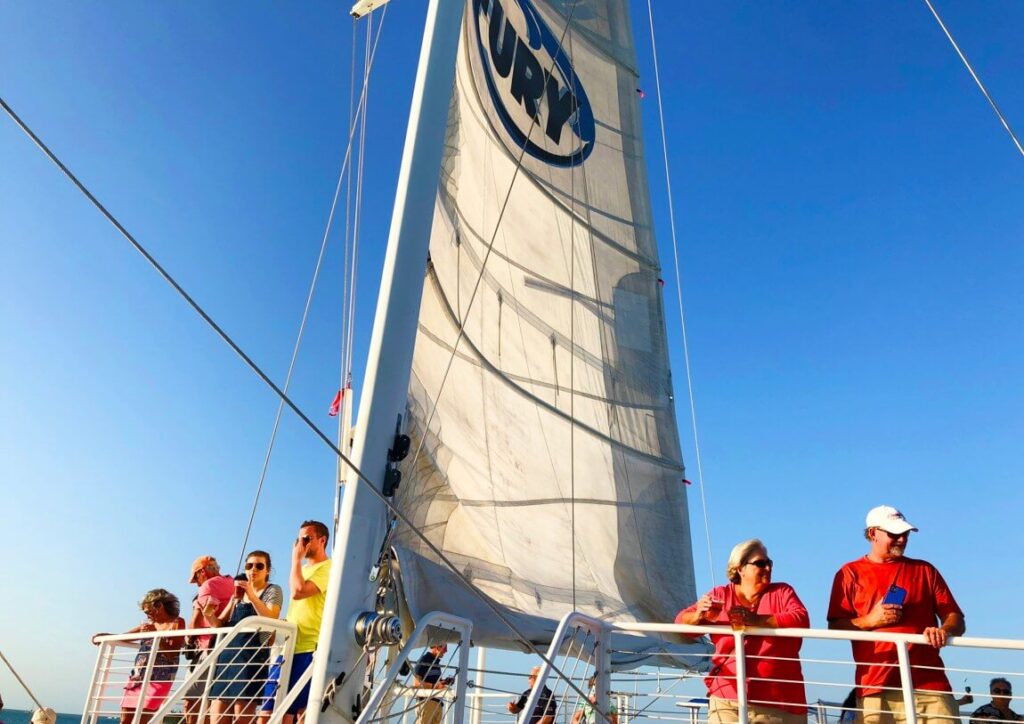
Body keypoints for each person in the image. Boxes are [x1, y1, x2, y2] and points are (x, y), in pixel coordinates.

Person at [827, 505, 965, 724]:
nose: (902, 539)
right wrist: (871, 620)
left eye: (905, 533)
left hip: (931, 686)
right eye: (894, 534)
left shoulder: (925, 570)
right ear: (873, 533)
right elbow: (834, 628)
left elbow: (955, 617)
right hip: (876, 686)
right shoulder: (848, 573)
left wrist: (943, 630)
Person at [675, 538, 809, 723]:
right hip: (727, 698)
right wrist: (698, 615)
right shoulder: (720, 596)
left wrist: (757, 621)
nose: (768, 569)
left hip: (779, 703)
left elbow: (801, 619)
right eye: (760, 564)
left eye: (769, 563)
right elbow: (680, 624)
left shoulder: (782, 592)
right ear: (740, 568)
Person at [206, 550, 284, 724]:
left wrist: (251, 595)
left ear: (268, 570)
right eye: (249, 566)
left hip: (251, 658)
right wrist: (208, 612)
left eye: (259, 566)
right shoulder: (238, 595)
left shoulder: (273, 590)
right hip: (227, 658)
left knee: (242, 718)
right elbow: (219, 624)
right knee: (217, 718)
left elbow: (271, 618)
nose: (253, 569)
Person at [92, 588, 185, 724]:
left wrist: (156, 636)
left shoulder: (177, 622)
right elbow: (126, 637)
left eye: (148, 612)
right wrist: (105, 636)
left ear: (159, 606)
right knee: (125, 721)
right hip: (137, 678)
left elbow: (173, 653)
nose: (147, 616)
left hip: (159, 679)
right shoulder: (149, 624)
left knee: (143, 721)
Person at [283, 520, 332, 724]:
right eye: (299, 539)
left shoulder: (329, 568)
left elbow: (298, 592)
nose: (301, 544)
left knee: (299, 711)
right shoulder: (301, 570)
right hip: (288, 645)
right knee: (281, 708)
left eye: (306, 539)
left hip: (308, 646)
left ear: (322, 540)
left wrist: (295, 559)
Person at [185, 555, 236, 724]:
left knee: (191, 702)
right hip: (227, 649)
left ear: (202, 572)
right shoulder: (231, 581)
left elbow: (197, 620)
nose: (197, 584)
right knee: (212, 701)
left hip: (207, 648)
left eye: (196, 578)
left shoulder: (208, 585)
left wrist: (188, 640)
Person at [411, 643, 454, 724]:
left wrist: (445, 682)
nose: (446, 651)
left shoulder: (436, 663)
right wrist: (435, 686)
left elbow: (437, 684)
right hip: (427, 703)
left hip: (437, 704)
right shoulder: (424, 660)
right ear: (437, 646)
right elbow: (417, 683)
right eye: (445, 648)